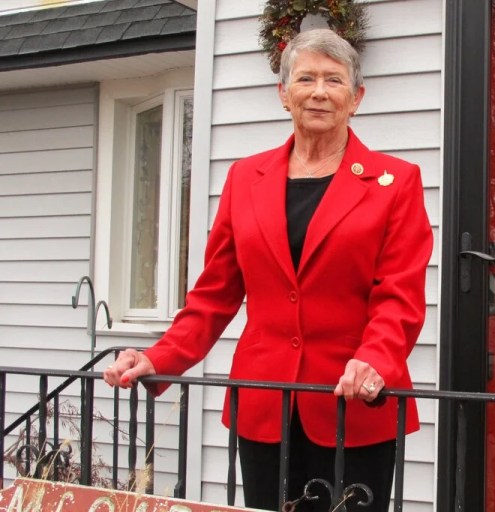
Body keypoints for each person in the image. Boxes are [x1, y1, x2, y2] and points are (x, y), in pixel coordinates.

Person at [102, 28, 432, 512]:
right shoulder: (244, 179)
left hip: (354, 404)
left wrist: (376, 360)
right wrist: (161, 358)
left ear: (356, 98)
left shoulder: (395, 183)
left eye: (334, 81)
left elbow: (400, 294)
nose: (319, 92)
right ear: (284, 93)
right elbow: (214, 295)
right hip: (264, 404)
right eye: (306, 79)